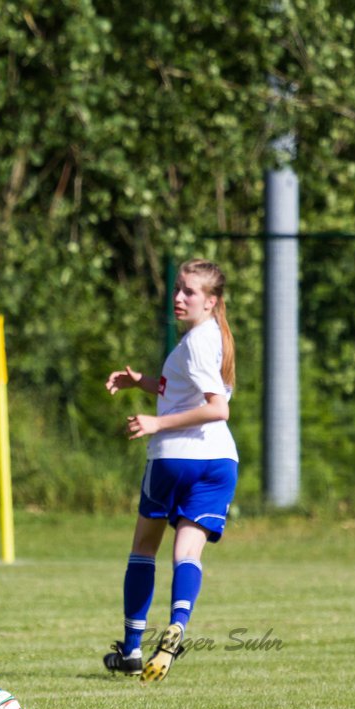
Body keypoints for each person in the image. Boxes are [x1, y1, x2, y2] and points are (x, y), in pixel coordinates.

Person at [102, 258, 238, 683]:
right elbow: (184, 391)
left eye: (189, 292)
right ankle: (178, 624)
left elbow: (218, 407)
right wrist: (142, 381)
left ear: (212, 301)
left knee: (144, 548)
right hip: (220, 462)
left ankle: (131, 649)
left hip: (176, 457)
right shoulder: (211, 337)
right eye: (178, 288)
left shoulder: (197, 341)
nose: (178, 297)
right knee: (187, 554)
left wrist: (156, 422)